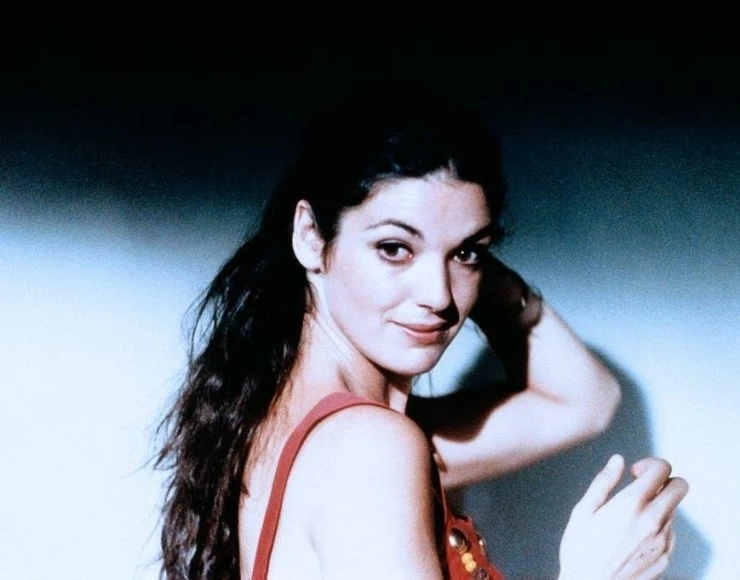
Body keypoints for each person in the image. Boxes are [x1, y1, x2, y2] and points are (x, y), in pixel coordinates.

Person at [155, 91, 689, 579]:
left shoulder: (310, 425)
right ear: (311, 237)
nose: (438, 295)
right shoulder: (369, 450)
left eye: (467, 253)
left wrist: (458, 255)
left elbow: (585, 402)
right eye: (394, 249)